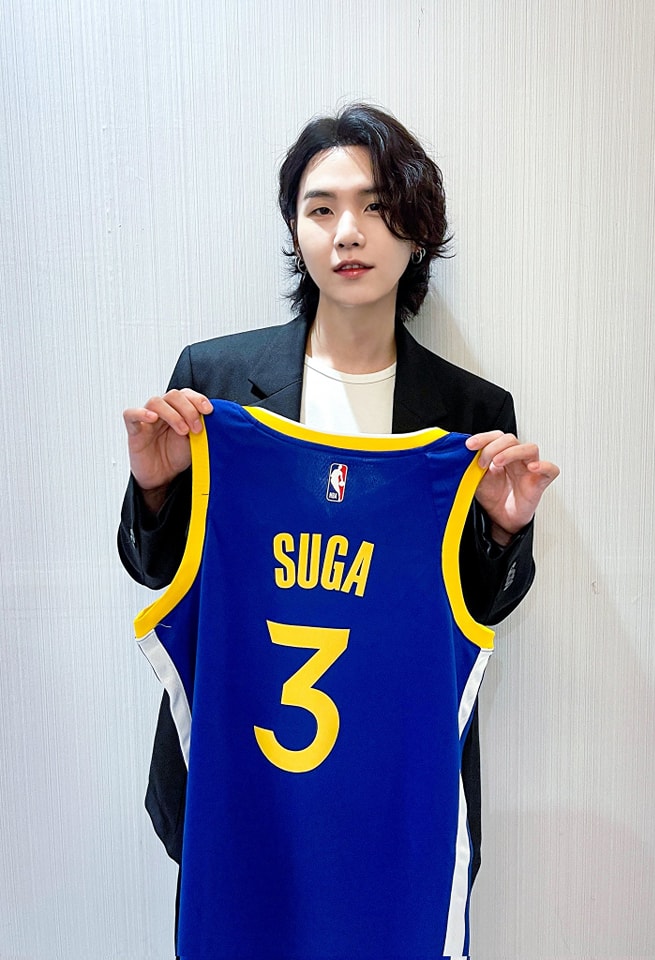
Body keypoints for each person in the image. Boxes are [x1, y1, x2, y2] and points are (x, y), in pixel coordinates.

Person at [119, 103, 559, 952]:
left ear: (417, 230)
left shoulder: (470, 413)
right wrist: (155, 489)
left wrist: (504, 535)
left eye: (376, 206)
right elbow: (159, 571)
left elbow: (473, 614)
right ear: (295, 229)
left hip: (390, 796)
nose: (348, 232)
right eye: (320, 209)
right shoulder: (215, 384)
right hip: (242, 786)